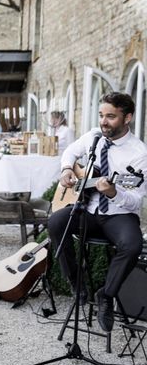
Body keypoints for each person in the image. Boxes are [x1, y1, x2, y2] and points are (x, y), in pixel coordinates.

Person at [48, 92, 147, 333]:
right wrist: (66, 169)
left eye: (111, 116)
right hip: (88, 209)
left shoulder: (140, 153)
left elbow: (134, 201)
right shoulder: (94, 136)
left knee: (132, 245)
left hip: (118, 214)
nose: (104, 121)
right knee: (56, 222)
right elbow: (70, 151)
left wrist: (114, 193)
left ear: (128, 118)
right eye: (102, 115)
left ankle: (107, 294)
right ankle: (77, 282)